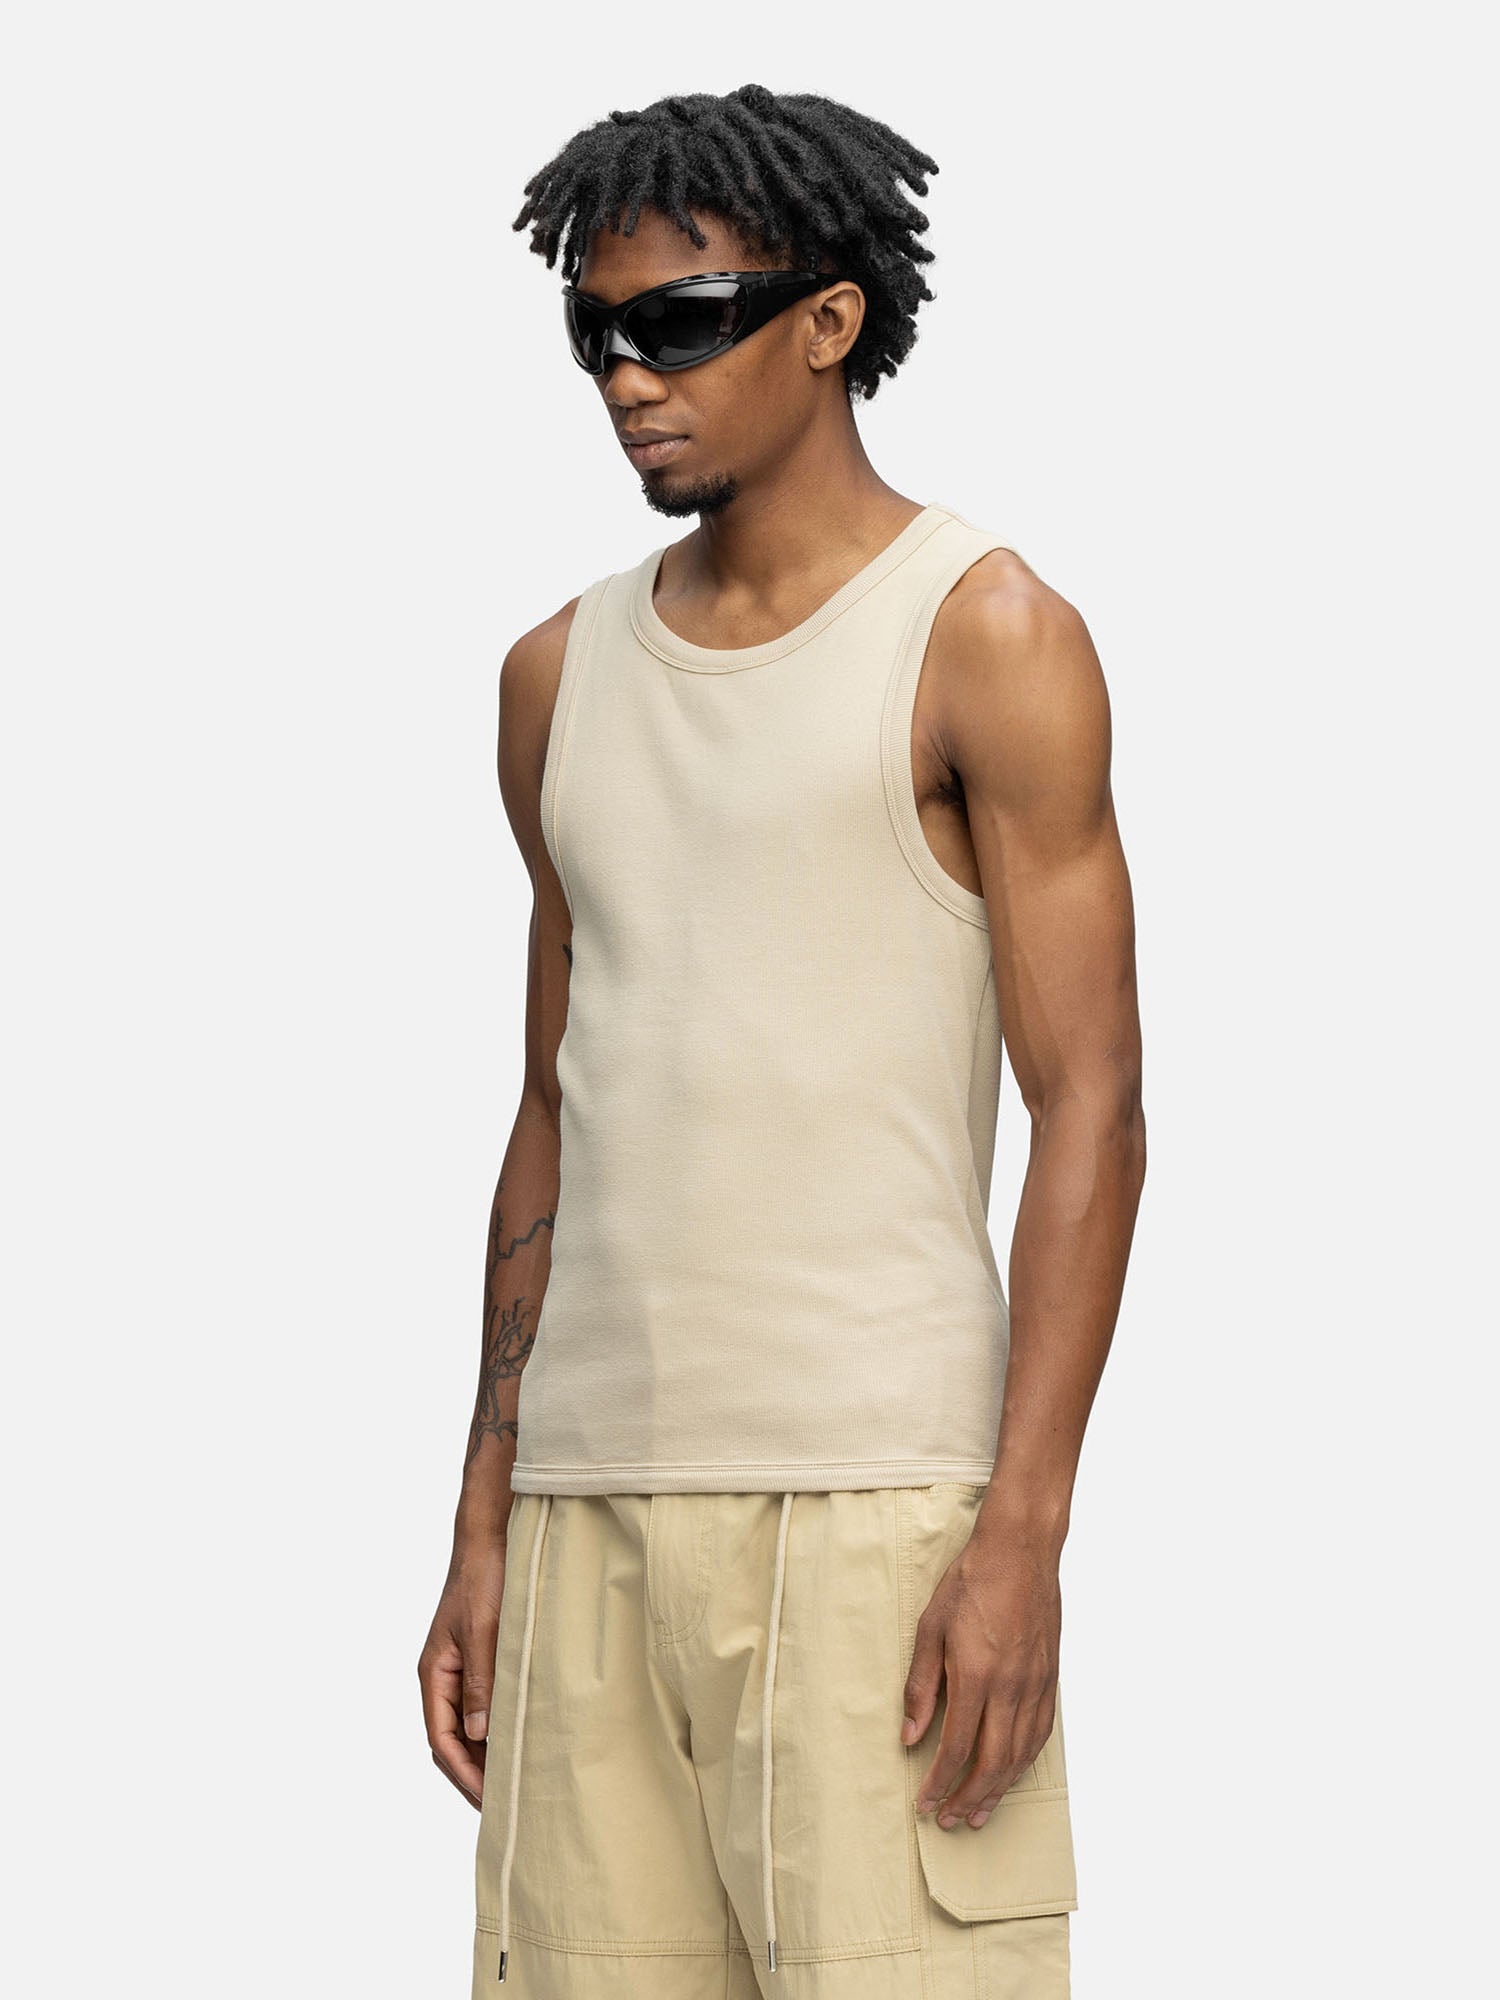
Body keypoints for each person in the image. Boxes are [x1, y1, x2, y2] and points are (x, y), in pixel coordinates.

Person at [418, 81, 1146, 2000]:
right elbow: (553, 1111)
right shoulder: (557, 678)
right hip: (586, 1518)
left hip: (874, 1508)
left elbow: (1093, 1107)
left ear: (830, 321)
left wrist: (1022, 1534)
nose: (626, 377)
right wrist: (486, 1524)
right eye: (594, 331)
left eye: (678, 322)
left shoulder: (985, 634)